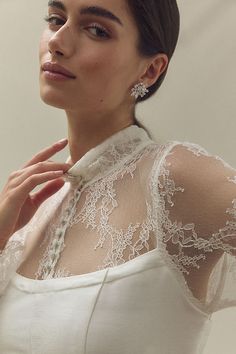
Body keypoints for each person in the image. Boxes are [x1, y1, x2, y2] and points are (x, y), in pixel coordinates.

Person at [0, 0, 235, 353]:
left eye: (97, 30)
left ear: (151, 70)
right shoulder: (28, 213)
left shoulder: (173, 180)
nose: (57, 42)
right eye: (55, 19)